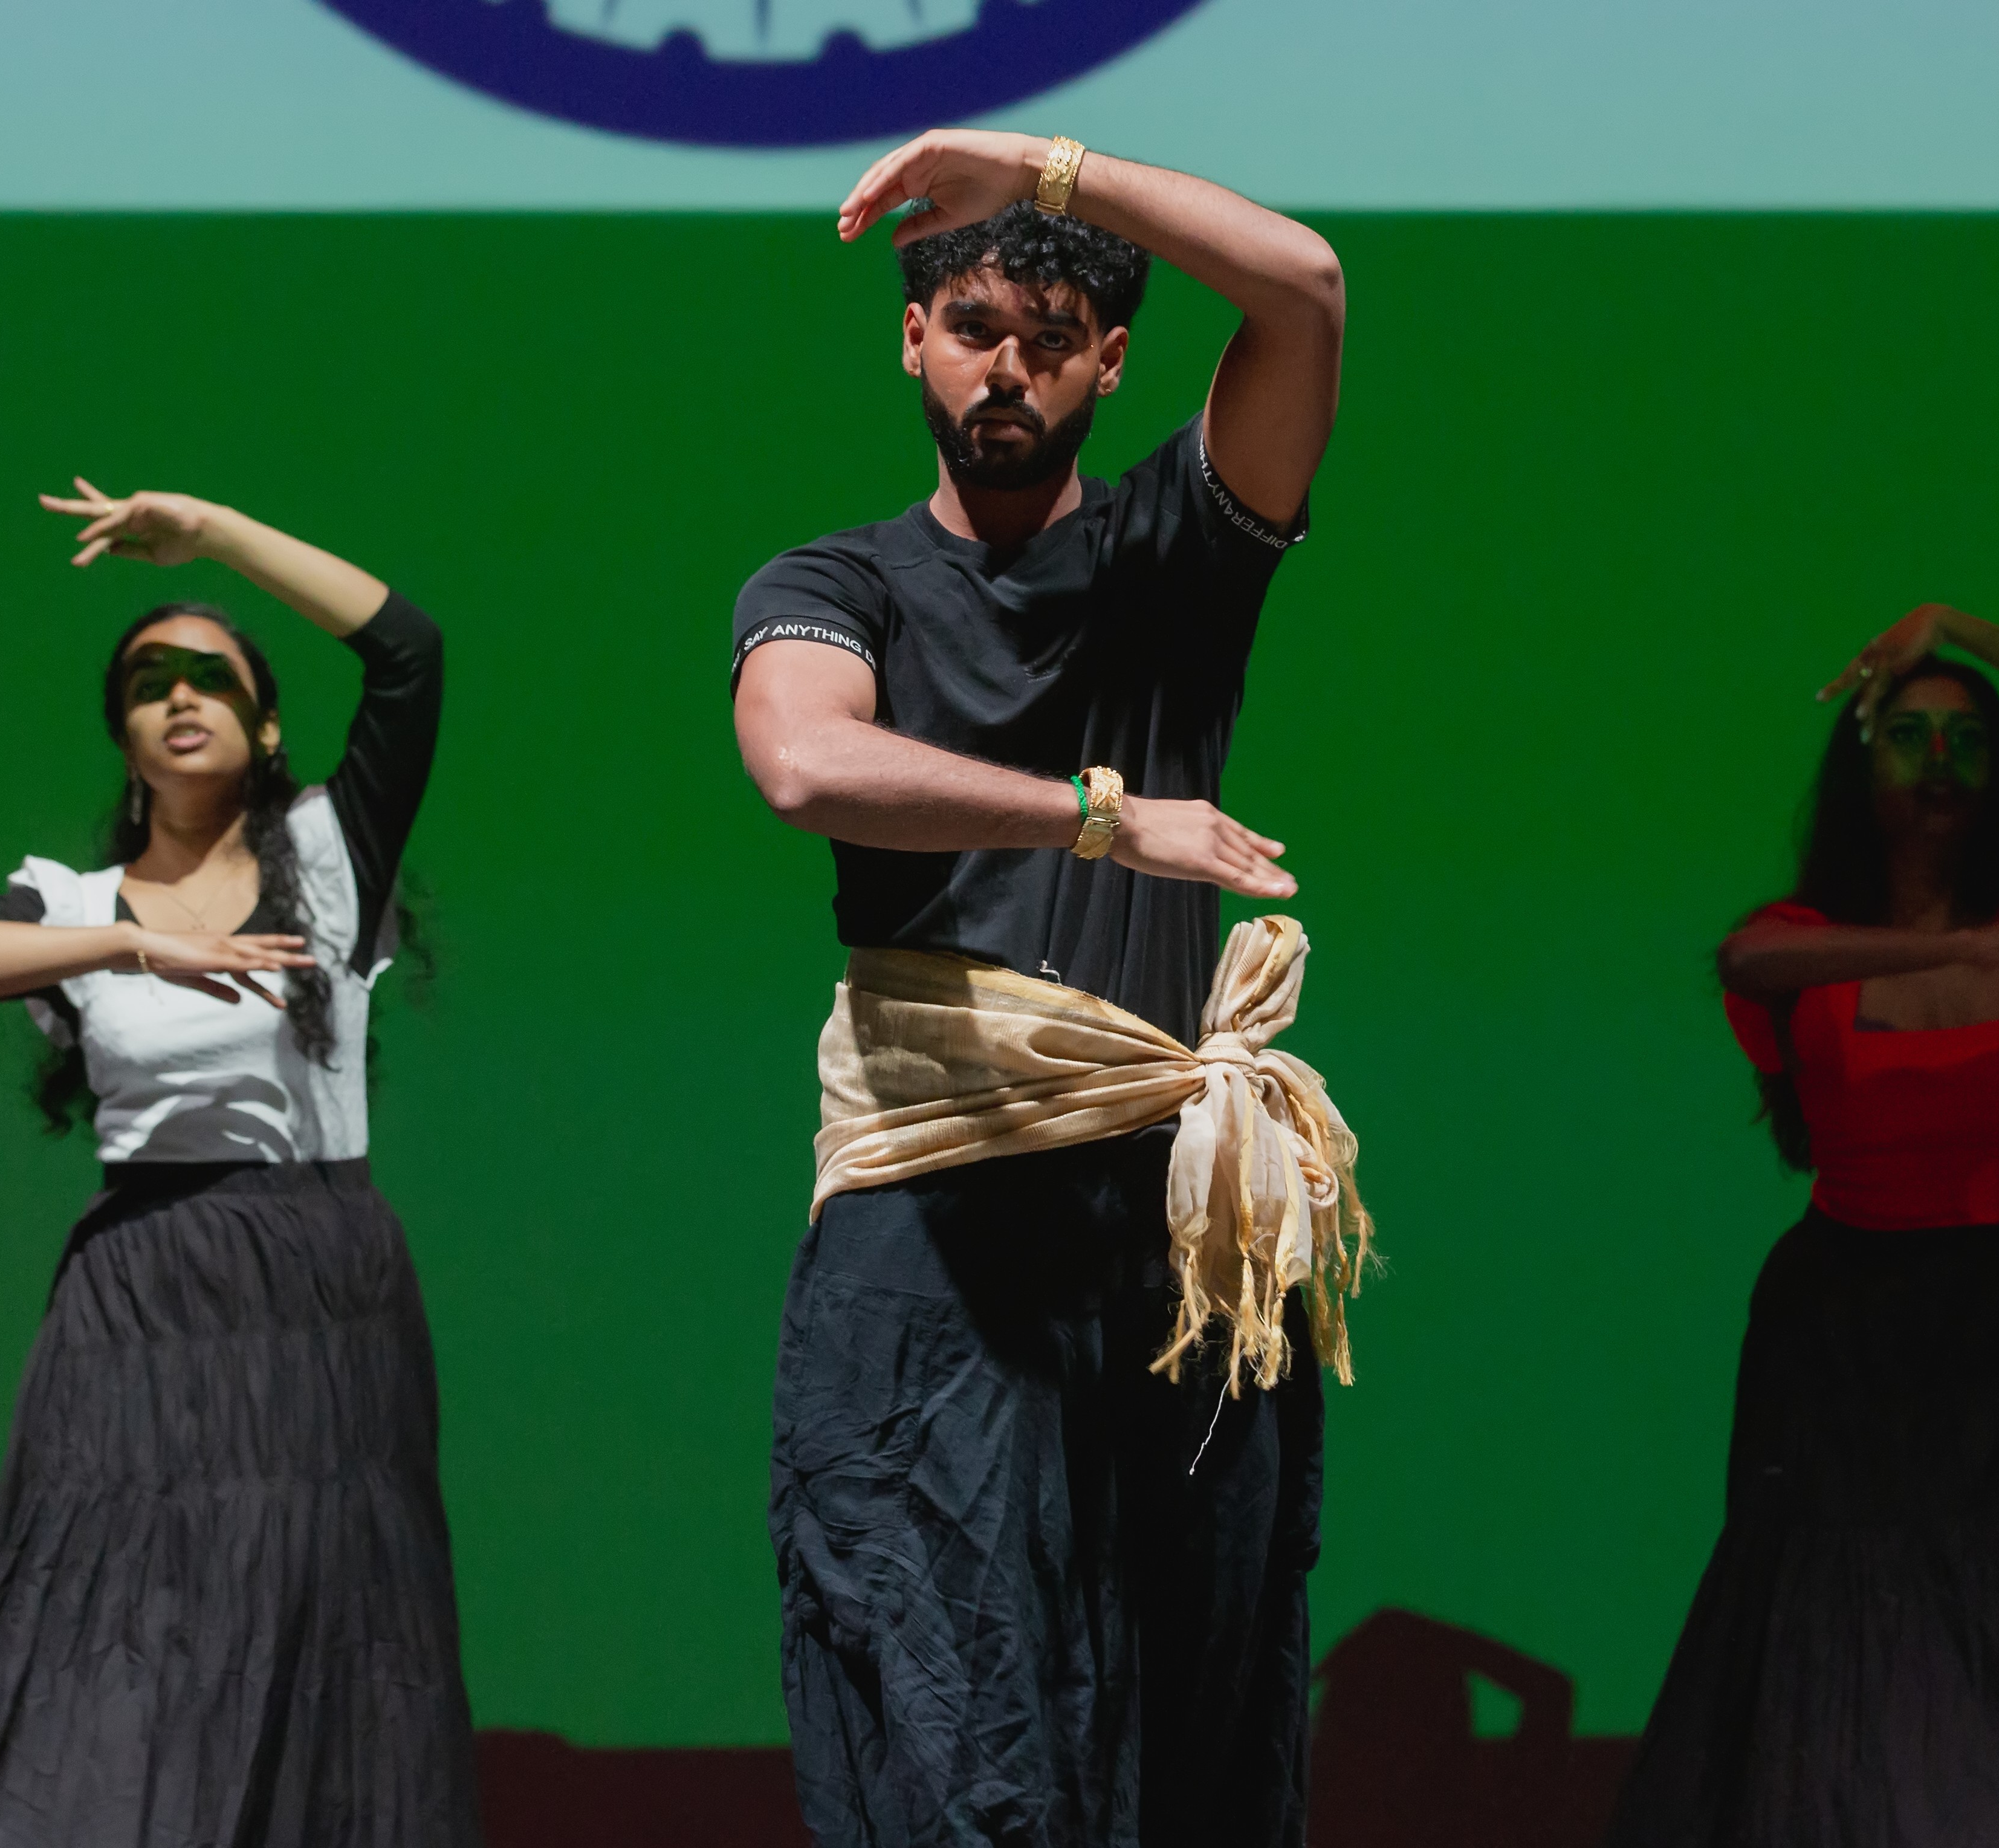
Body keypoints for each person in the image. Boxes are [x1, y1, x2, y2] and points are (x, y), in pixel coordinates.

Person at [730, 129, 1347, 1846]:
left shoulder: (1174, 555)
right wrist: (1096, 814)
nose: (1009, 365)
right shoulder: (836, 584)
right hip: (931, 1234)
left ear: (1110, 360)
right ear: (912, 338)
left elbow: (1303, 289)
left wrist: (1036, 167)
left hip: (1170, 1228)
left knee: (1197, 1727)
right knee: (948, 1716)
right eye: (975, 327)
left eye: (1052, 336)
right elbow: (804, 762)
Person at [0, 481, 476, 1848]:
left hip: (320, 1285)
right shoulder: (69, 903)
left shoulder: (330, 855)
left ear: (266, 724)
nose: (180, 695)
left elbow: (409, 650)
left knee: (319, 1619)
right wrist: (132, 943)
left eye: (212, 676)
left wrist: (212, 536)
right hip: (140, 1290)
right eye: (149, 683)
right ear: (125, 737)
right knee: (121, 1622)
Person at [1609, 603, 1999, 1847]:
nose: (1939, 761)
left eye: (1966, 740)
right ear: (1861, 767)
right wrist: (1977, 942)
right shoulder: (1806, 938)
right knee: (1832, 1631)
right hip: (1844, 1325)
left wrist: (1955, 629)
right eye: (1908, 736)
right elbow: (1744, 961)